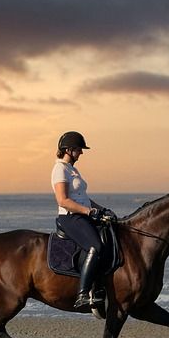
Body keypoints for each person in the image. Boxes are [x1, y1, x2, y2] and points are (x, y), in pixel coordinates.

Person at [51, 131, 116, 310]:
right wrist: (89, 212)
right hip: (70, 217)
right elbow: (63, 200)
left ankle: (101, 288)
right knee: (96, 246)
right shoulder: (60, 169)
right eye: (79, 149)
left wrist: (101, 210)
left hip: (82, 214)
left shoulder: (73, 169)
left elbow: (83, 198)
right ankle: (82, 294)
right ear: (69, 150)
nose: (81, 153)